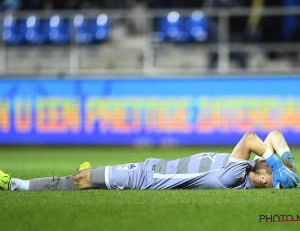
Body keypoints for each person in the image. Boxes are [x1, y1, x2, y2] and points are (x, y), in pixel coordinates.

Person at [0, 131, 298, 191]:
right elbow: (273, 135)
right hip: (152, 166)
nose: (262, 160)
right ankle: (93, 172)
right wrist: (286, 161)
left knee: (79, 182)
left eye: (265, 167)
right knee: (88, 176)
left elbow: (250, 138)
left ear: (261, 177)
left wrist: (273, 166)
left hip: (146, 178)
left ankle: (15, 185)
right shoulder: (247, 169)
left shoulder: (235, 176)